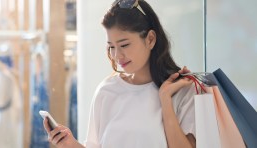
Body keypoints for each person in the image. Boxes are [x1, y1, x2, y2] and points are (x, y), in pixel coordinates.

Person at [43, 0, 196, 147]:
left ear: (150, 39)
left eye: (124, 45)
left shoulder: (182, 91)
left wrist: (166, 101)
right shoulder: (107, 90)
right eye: (111, 47)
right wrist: (70, 144)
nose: (117, 56)